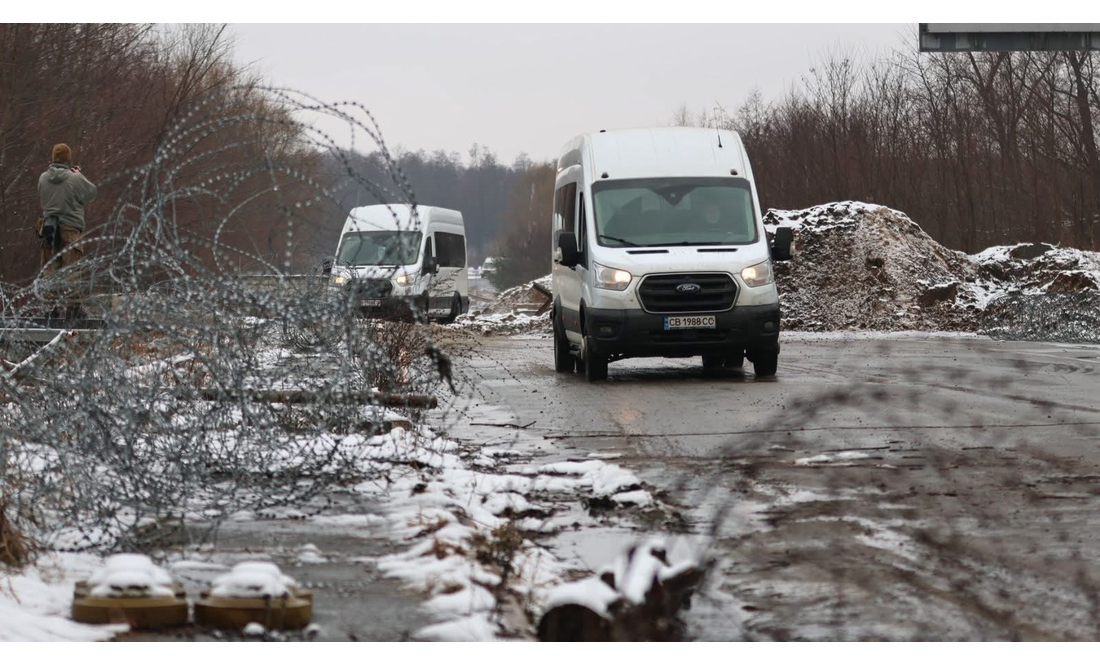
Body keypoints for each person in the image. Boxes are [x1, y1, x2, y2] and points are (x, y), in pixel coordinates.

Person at [39, 143, 96, 319]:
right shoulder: (74, 178)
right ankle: (73, 309)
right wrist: (78, 175)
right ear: (68, 159)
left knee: (50, 270)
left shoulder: (42, 178)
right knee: (72, 270)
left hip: (48, 228)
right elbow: (91, 193)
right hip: (70, 229)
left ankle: (50, 308)